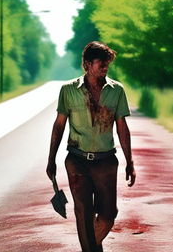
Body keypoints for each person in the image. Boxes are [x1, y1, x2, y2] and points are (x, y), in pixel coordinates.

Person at [46, 41, 136, 252]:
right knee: (83, 213)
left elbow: (122, 127)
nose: (105, 68)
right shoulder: (68, 90)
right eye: (101, 64)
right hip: (77, 161)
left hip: (106, 161)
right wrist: (51, 159)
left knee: (107, 217)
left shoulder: (117, 90)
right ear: (87, 64)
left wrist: (130, 162)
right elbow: (59, 126)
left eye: (107, 65)